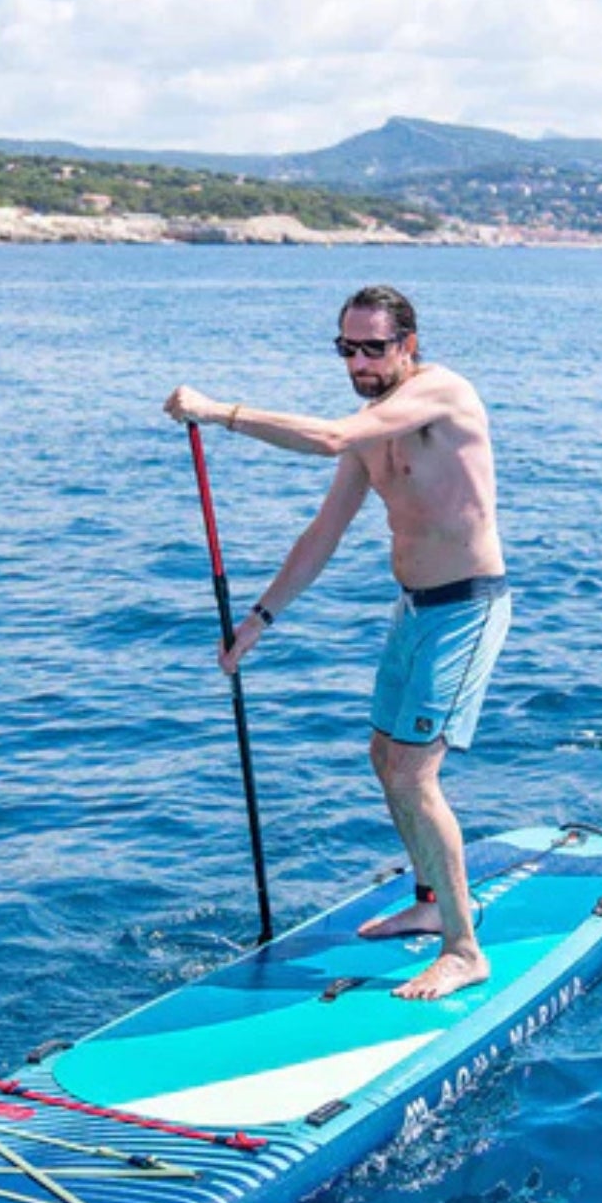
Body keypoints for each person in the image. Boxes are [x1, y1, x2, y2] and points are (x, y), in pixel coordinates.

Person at [163, 285, 510, 1001]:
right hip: (413, 611)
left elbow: (325, 437)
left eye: (373, 349)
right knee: (385, 759)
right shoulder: (371, 430)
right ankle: (430, 900)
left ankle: (463, 948)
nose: (358, 363)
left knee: (414, 774)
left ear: (408, 345)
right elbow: (324, 533)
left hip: (466, 610)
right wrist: (259, 620)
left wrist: (219, 412)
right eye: (346, 349)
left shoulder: (443, 393)